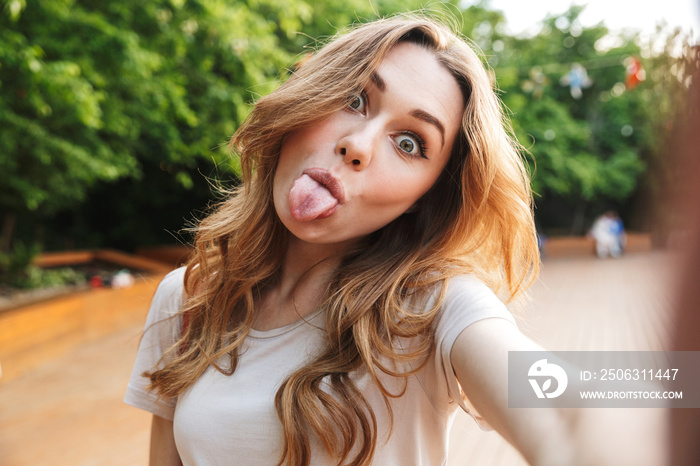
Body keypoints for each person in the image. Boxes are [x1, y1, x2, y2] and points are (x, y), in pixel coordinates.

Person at [125, 15, 583, 465]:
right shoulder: (188, 299)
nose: (358, 146)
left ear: (421, 199)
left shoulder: (433, 310)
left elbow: (564, 409)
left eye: (409, 143)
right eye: (354, 98)